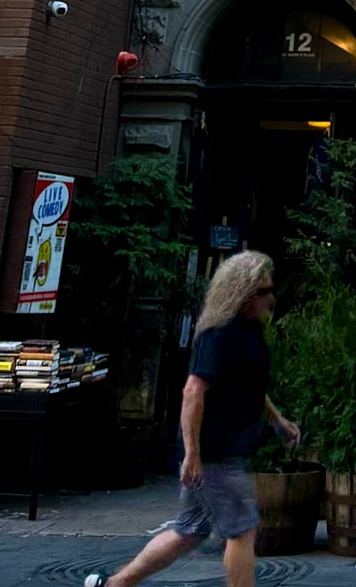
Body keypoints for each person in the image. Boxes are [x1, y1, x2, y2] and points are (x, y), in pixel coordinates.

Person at [83, 251, 300, 587]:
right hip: (216, 454)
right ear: (244, 293)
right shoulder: (220, 333)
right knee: (243, 530)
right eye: (265, 291)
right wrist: (193, 454)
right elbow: (192, 392)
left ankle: (115, 584)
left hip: (223, 452)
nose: (272, 298)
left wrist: (277, 420)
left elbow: (248, 384)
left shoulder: (250, 330)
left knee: (188, 531)